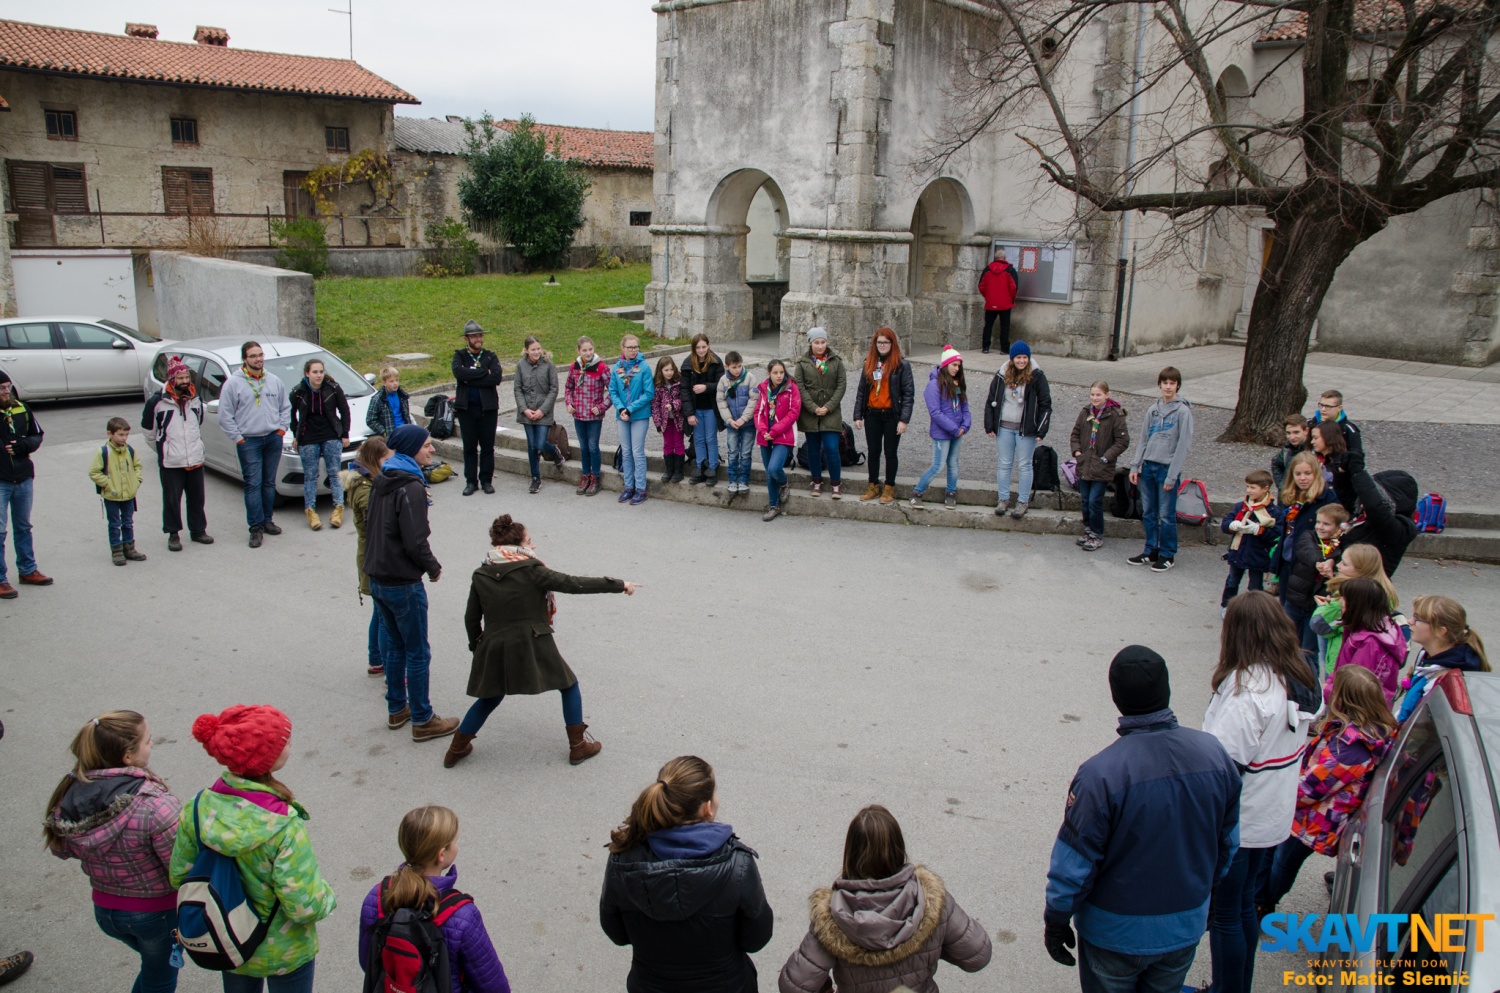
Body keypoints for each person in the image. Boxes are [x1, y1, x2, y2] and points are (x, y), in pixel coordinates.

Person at [1042, 646, 1241, 993]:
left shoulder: (1100, 775)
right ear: (1166, 689)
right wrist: (1204, 896)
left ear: (1116, 697)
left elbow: (1073, 865)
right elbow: (1228, 843)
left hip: (1112, 934)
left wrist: (1056, 920)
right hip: (1183, 925)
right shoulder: (1215, 755)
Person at [445, 513, 641, 768]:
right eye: (529, 541)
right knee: (569, 686)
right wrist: (619, 584)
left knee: (490, 696)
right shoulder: (531, 569)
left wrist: (477, 648)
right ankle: (578, 746)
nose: (534, 545)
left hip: (494, 642)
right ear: (519, 545)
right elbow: (573, 583)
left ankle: (456, 749)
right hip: (533, 640)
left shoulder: (481, 573)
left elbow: (471, 617)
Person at [1201, 592, 1323, 993]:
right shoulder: (1300, 675)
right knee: (1243, 907)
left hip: (1242, 819)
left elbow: (1222, 768)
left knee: (1225, 915)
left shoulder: (1247, 694)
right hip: (1273, 813)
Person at [170, 704, 337, 993]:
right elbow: (303, 906)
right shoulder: (284, 825)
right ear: (265, 760)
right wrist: (327, 896)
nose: (289, 744)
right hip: (287, 950)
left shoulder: (196, 809)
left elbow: (180, 875)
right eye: (283, 742)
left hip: (231, 939)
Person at [599, 756, 774, 993]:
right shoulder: (737, 865)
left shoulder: (622, 859)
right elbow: (756, 938)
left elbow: (617, 933)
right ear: (707, 808)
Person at [778, 804, 992, 993]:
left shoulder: (832, 919)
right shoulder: (930, 899)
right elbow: (977, 955)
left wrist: (824, 987)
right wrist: (930, 943)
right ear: (899, 848)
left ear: (850, 854)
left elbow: (793, 985)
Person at [44, 710, 183, 993]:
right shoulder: (155, 805)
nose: (152, 744)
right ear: (128, 756)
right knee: (161, 977)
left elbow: (61, 849)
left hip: (106, 911)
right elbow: (180, 865)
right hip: (154, 913)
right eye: (147, 741)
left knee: (153, 968)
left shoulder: (70, 796)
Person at [1257, 665, 1396, 914]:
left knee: (1283, 863)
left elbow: (1312, 789)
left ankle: (1263, 903)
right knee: (1275, 857)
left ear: (1344, 700)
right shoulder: (1367, 731)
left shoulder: (1352, 749)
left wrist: (1277, 790)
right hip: (1308, 816)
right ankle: (1260, 896)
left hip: (1312, 822)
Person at [364, 425, 460, 742]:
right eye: (427, 445)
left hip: (377, 576)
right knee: (418, 652)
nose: (431, 450)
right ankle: (422, 719)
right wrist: (432, 568)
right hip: (402, 582)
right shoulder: (411, 487)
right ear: (410, 448)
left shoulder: (382, 479)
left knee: (394, 647)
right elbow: (416, 540)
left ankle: (397, 710)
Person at [358, 805, 510, 993]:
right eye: (455, 841)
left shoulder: (377, 897)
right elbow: (492, 984)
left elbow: (368, 961)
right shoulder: (463, 915)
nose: (458, 845)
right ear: (441, 854)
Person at [219, 341, 291, 548]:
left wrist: (281, 429)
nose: (258, 359)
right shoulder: (233, 383)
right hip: (249, 440)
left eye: (260, 355)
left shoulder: (274, 380)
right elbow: (225, 416)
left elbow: (285, 407)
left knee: (269, 483)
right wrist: (239, 438)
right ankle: (255, 527)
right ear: (244, 359)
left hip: (272, 438)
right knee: (253, 484)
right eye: (253, 356)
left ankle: (267, 520)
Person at [142, 356, 213, 551]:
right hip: (171, 461)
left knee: (197, 498)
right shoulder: (157, 402)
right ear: (171, 379)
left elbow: (197, 423)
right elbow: (149, 431)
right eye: (180, 378)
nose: (184, 381)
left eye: (186, 377)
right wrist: (164, 449)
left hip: (195, 458)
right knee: (172, 499)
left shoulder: (195, 399)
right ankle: (173, 534)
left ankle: (198, 530)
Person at [1127, 367, 1192, 572]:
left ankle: (1167, 554)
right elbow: (1143, 439)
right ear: (1160, 384)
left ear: (1177, 385)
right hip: (1149, 466)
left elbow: (1183, 445)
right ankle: (1150, 549)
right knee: (1148, 512)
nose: (1168, 386)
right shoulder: (1153, 410)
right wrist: (1136, 465)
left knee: (1166, 515)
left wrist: (1172, 475)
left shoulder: (1183, 411)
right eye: (1165, 382)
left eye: (1172, 383)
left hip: (1166, 469)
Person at [1308, 544, 1401, 685]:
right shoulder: (1384, 592)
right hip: (1372, 666)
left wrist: (1325, 607)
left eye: (1344, 563)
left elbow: (1319, 624)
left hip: (1341, 663)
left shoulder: (1350, 597)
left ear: (1361, 570)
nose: (1338, 565)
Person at [341, 436, 393, 678]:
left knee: (379, 612)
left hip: (371, 554)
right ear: (374, 460)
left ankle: (375, 658)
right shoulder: (365, 490)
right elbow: (377, 527)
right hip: (374, 556)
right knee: (384, 615)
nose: (389, 463)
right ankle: (384, 662)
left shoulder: (368, 482)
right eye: (386, 460)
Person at [984, 341, 1052, 519]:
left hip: (1026, 429)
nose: (1021, 361)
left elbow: (1045, 404)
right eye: (1018, 357)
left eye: (1024, 357)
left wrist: (1041, 429)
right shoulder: (1001, 375)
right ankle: (1003, 499)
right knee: (1004, 463)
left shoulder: (1037, 376)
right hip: (1004, 426)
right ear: (1012, 358)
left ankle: (1022, 501)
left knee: (1024, 465)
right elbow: (991, 400)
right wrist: (989, 425)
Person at [1398, 594, 1490, 722]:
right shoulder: (1428, 653)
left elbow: (1422, 725)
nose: (1409, 621)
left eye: (1417, 619)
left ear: (1440, 631)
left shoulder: (1444, 680)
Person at [0, 368, 50, 598]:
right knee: (0, 531)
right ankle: (1, 579)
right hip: (1, 480)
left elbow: (37, 434)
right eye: (1, 388)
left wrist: (25, 446)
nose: (6, 391)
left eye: (7, 387)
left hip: (23, 477)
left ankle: (27, 570)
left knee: (23, 527)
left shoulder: (21, 408)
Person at [852, 327, 914, 505]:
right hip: (872, 413)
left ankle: (889, 487)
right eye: (879, 342)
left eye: (886, 342)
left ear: (892, 343)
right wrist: (858, 415)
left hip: (891, 415)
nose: (882, 345)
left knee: (890, 452)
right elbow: (861, 391)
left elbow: (908, 394)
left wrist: (904, 420)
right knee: (873, 451)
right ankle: (873, 485)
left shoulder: (902, 365)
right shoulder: (870, 363)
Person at [288, 358, 350, 531]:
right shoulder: (298, 392)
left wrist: (344, 433)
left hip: (331, 434)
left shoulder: (333, 388)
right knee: (310, 475)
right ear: (307, 374)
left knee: (334, 472)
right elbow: (291, 415)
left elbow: (344, 410)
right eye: (315, 372)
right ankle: (310, 510)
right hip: (308, 436)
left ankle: (338, 508)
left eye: (321, 372)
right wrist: (296, 435)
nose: (318, 375)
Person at [1068, 380, 1129, 551]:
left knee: (1095, 501)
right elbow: (1075, 433)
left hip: (1102, 466)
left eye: (1098, 395)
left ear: (1106, 395)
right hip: (1085, 463)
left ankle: (1097, 533)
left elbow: (1123, 440)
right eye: (1092, 394)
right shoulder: (1086, 412)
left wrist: (1106, 457)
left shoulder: (1115, 415)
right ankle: (1088, 530)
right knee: (1086, 500)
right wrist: (1077, 452)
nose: (1095, 398)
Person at [1326, 578, 1407, 704]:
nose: (1340, 601)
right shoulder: (1365, 629)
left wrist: (1325, 693)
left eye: (1344, 599)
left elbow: (1354, 689)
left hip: (1356, 713)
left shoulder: (1370, 644)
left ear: (1356, 606)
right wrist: (1330, 682)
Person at [910, 347, 969, 510]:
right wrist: (954, 429)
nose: (957, 369)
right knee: (937, 465)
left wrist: (965, 425)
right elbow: (935, 412)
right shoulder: (933, 386)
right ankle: (917, 493)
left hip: (958, 431)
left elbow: (965, 406)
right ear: (945, 365)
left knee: (953, 463)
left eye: (958, 366)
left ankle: (951, 493)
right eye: (954, 365)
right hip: (943, 433)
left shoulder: (958, 383)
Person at [1340, 457, 1420, 576]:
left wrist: (1357, 472)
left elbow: (1374, 506)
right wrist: (1341, 465)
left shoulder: (1402, 527)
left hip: (1364, 589)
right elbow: (1346, 495)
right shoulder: (1365, 515)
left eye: (1377, 493)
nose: (1369, 497)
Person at [1284, 502, 1348, 651]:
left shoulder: (1341, 546)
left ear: (1339, 528)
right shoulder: (1309, 535)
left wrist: (1332, 562)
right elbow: (1306, 550)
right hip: (1295, 599)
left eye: (1326, 524)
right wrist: (1321, 563)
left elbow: (1341, 557)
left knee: (1308, 649)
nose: (1319, 526)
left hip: (1317, 604)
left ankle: (1309, 674)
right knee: (1285, 641)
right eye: (1318, 522)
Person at [792, 328, 848, 499]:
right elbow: (799, 387)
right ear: (810, 343)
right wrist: (813, 407)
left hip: (830, 412)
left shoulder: (836, 362)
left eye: (823, 342)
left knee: (832, 448)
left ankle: (836, 484)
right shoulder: (802, 363)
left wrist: (829, 406)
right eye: (816, 342)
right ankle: (816, 481)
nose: (820, 346)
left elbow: (841, 385)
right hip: (811, 413)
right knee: (813, 449)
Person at [1274, 451, 1333, 609]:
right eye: (1298, 474)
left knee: (1300, 609)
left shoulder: (1327, 497)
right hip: (1287, 558)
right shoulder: (1290, 496)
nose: (1302, 478)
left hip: (1309, 563)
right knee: (1285, 605)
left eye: (1308, 473)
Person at [452, 320, 503, 497]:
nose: (478, 339)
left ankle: (486, 480)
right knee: (469, 447)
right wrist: (484, 373)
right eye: (474, 336)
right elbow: (459, 373)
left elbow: (496, 378)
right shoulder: (459, 356)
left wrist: (471, 377)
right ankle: (471, 481)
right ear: (467, 339)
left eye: (480, 335)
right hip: (467, 409)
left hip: (488, 409)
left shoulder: (490, 356)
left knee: (488, 447)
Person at [89, 416, 148, 567]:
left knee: (128, 522)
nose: (124, 438)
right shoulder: (103, 452)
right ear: (110, 434)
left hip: (129, 494)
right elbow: (94, 472)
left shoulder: (130, 450)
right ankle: (116, 551)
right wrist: (108, 484)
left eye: (126, 435)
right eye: (120, 434)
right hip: (112, 495)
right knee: (115, 523)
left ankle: (129, 548)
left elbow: (138, 466)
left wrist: (136, 482)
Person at [1219, 469, 1278, 614]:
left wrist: (1259, 530)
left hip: (1258, 555)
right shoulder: (1242, 506)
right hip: (1238, 552)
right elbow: (1226, 522)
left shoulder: (1273, 512)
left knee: (1255, 586)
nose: (1248, 490)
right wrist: (1231, 525)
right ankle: (1227, 606)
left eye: (1253, 487)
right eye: (1247, 487)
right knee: (1232, 581)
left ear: (1265, 489)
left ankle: (1256, 611)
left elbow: (1276, 533)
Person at [513, 336, 563, 494]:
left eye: (538, 349)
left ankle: (554, 451)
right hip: (527, 412)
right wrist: (524, 409)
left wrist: (542, 410)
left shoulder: (549, 365)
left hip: (543, 413)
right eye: (533, 349)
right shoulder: (521, 366)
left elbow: (554, 389)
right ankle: (535, 478)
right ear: (526, 350)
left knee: (540, 443)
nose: (536, 352)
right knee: (532, 446)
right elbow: (518, 389)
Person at [609, 335, 656, 505]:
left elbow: (649, 393)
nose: (633, 350)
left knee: (637, 451)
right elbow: (613, 391)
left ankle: (641, 488)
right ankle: (629, 486)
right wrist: (621, 408)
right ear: (622, 348)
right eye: (630, 347)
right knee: (626, 452)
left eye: (635, 347)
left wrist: (630, 408)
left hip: (639, 415)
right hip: (622, 415)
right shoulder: (616, 368)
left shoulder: (644, 367)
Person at [565, 335, 611, 497]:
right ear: (578, 351)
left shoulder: (601, 368)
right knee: (583, 447)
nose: (588, 353)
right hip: (578, 415)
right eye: (584, 350)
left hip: (594, 416)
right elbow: (568, 388)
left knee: (593, 447)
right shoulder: (574, 367)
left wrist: (601, 407)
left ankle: (595, 477)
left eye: (590, 349)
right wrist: (569, 403)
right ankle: (585, 476)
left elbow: (612, 391)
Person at [756, 359, 801, 522]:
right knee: (768, 473)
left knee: (775, 468)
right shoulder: (763, 389)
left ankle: (784, 483)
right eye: (775, 373)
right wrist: (763, 430)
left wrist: (774, 431)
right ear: (769, 373)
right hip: (765, 436)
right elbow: (758, 413)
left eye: (781, 372)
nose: (779, 376)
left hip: (782, 436)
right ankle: (773, 506)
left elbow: (793, 414)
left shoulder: (791, 389)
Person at [682, 334, 725, 486]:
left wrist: (706, 387)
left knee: (711, 439)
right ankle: (700, 467)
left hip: (711, 408)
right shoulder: (688, 364)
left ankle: (712, 467)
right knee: (699, 439)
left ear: (708, 346)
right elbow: (685, 391)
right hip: (696, 408)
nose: (701, 350)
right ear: (694, 348)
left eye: (703, 347)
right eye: (698, 347)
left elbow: (721, 384)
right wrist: (689, 414)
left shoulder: (716, 362)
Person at [716, 351, 760, 496]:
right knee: (733, 451)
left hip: (747, 424)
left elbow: (754, 400)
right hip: (732, 424)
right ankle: (733, 480)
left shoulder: (750, 378)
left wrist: (744, 418)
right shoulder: (723, 381)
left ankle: (744, 481)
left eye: (740, 366)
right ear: (727, 366)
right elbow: (721, 402)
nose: (737, 370)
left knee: (746, 453)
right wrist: (729, 420)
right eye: (734, 367)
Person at [651, 356, 689, 488]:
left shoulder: (678, 383)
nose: (669, 372)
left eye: (671, 369)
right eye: (666, 370)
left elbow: (682, 399)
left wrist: (673, 405)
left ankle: (679, 471)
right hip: (665, 421)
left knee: (678, 443)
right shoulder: (657, 386)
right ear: (660, 371)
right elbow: (655, 405)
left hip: (678, 419)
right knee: (668, 443)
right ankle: (669, 469)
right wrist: (658, 423)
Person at [976, 248, 1019, 354]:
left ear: (995, 258)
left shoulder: (987, 269)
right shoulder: (1010, 270)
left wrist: (988, 296)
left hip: (991, 303)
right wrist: (1011, 299)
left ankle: (985, 347)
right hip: (1005, 303)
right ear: (1004, 258)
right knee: (1004, 326)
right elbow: (1014, 287)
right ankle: (1004, 349)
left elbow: (981, 286)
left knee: (988, 325)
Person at [1309, 420, 1354, 512]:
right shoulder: (1320, 459)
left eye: (1315, 438)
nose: (1312, 442)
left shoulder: (1342, 463)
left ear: (1327, 437)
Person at [1310, 389, 1362, 454]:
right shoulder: (1311, 424)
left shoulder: (1348, 429)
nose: (1323, 409)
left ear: (1339, 408)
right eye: (1321, 405)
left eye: (1328, 406)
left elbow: (1357, 454)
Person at [366, 366, 412, 437]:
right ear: (384, 383)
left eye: (397, 380)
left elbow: (406, 415)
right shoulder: (378, 399)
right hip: (392, 434)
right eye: (391, 381)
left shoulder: (402, 396)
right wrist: (384, 431)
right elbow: (370, 420)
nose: (395, 383)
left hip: (406, 431)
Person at [1270, 413, 1311, 491]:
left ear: (1306, 431)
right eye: (1288, 433)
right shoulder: (1287, 450)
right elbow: (1275, 463)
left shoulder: (1312, 451)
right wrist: (1281, 485)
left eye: (1296, 432)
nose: (1292, 437)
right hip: (1286, 497)